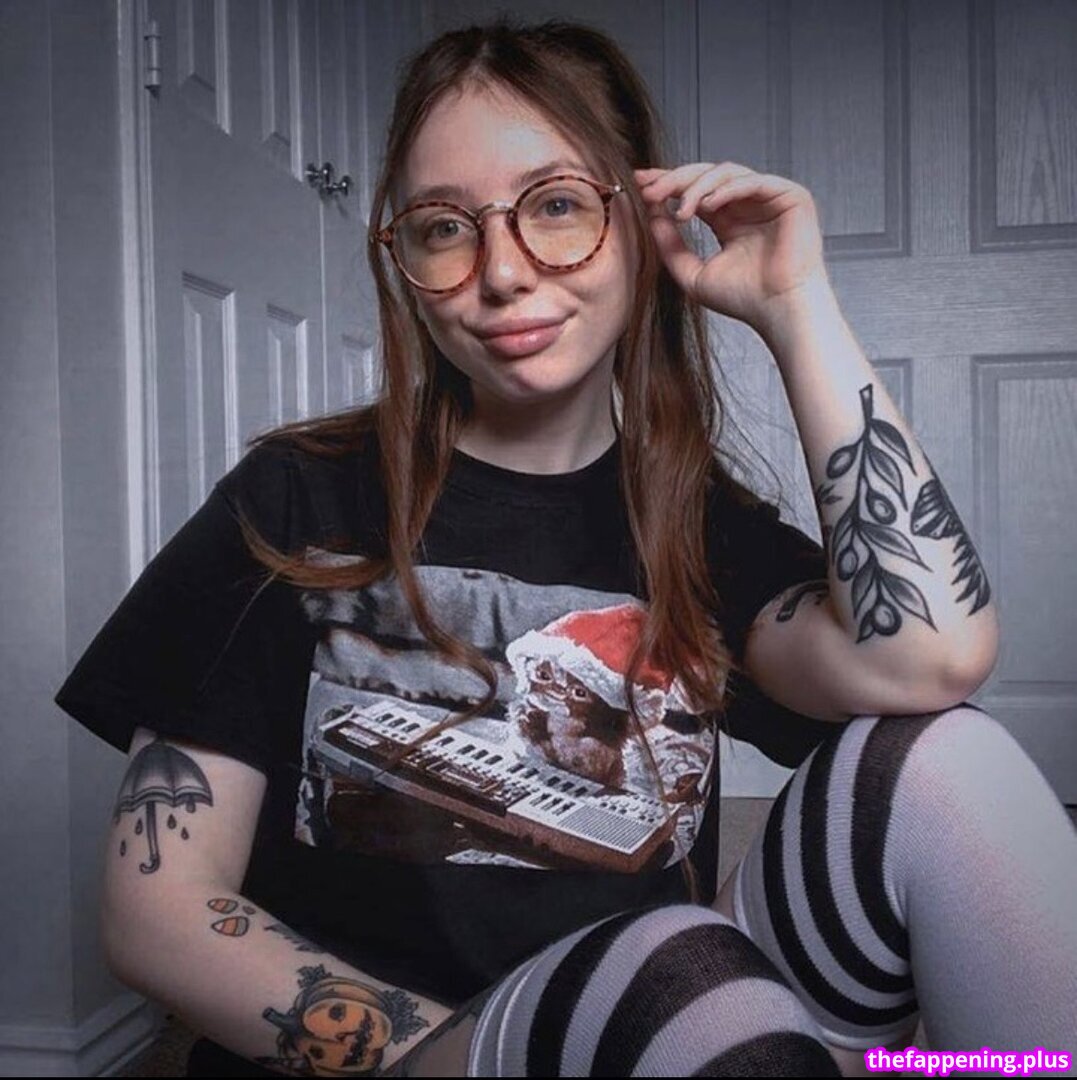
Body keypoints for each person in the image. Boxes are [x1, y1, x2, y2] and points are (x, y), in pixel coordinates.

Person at [55, 18, 1077, 1079]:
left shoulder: (691, 521)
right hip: (414, 1057)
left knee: (944, 764)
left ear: (641, 223)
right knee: (681, 975)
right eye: (444, 227)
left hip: (656, 1021)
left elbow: (931, 658)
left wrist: (793, 305)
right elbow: (158, 912)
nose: (503, 272)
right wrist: (451, 1058)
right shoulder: (297, 494)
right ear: (404, 261)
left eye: (555, 206)